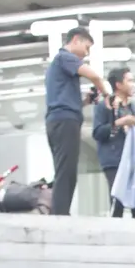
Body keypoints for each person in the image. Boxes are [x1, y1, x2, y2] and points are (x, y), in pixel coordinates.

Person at [44, 26, 107, 216]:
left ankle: (60, 212)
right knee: (66, 172)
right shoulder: (65, 57)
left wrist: (86, 101)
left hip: (59, 120)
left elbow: (66, 100)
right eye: (86, 47)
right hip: (65, 121)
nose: (86, 53)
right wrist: (106, 94)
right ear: (76, 39)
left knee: (65, 169)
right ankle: (60, 215)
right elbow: (94, 75)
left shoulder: (59, 65)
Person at [92, 66, 135, 218]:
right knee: (117, 201)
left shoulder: (133, 108)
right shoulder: (104, 106)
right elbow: (97, 132)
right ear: (118, 85)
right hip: (114, 160)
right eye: (129, 80)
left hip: (133, 161)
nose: (133, 84)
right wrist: (119, 122)